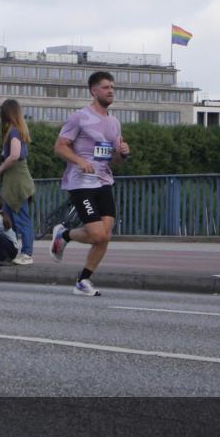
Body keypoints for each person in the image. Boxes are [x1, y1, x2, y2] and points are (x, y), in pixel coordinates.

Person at [50, 71, 131, 296]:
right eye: (106, 87)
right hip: (80, 182)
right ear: (94, 91)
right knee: (96, 234)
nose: (111, 91)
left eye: (113, 87)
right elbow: (60, 146)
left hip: (104, 181)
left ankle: (83, 280)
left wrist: (122, 153)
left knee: (106, 234)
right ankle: (64, 235)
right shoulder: (80, 117)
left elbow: (114, 160)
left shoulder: (114, 123)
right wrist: (80, 161)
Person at [0, 100, 35, 265]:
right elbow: (13, 154)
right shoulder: (17, 130)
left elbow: (15, 155)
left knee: (21, 219)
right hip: (15, 182)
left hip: (17, 182)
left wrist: (0, 168)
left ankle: (27, 253)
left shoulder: (14, 132)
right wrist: (1, 157)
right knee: (9, 220)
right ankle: (12, 252)